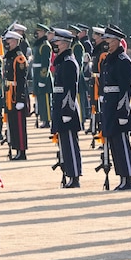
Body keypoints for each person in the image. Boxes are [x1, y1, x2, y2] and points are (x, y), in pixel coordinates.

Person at [100, 26, 131, 190]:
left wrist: (123, 111)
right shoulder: (109, 59)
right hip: (109, 105)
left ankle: (127, 178)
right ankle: (121, 177)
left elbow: (126, 89)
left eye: (108, 39)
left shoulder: (123, 60)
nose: (106, 42)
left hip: (118, 107)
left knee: (122, 144)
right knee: (114, 145)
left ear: (116, 41)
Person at [50, 28, 82, 188]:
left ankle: (74, 176)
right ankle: (69, 174)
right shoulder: (63, 61)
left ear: (64, 43)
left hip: (66, 108)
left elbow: (71, 89)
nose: (54, 44)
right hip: (60, 107)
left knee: (70, 144)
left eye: (56, 42)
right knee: (64, 145)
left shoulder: (69, 62)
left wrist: (67, 110)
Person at [2, 30, 29, 160]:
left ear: (14, 41)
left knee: (19, 124)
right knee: (12, 123)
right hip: (9, 94)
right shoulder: (10, 56)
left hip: (16, 95)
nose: (6, 43)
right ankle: (15, 148)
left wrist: (20, 98)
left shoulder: (19, 58)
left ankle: (21, 150)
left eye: (8, 41)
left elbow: (22, 80)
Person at [30, 23, 53, 129]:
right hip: (37, 75)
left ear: (44, 32)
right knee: (40, 99)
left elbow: (45, 64)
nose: (36, 33)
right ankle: (43, 119)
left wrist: (42, 79)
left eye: (38, 31)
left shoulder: (45, 45)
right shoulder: (38, 44)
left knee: (45, 100)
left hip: (43, 76)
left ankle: (47, 119)